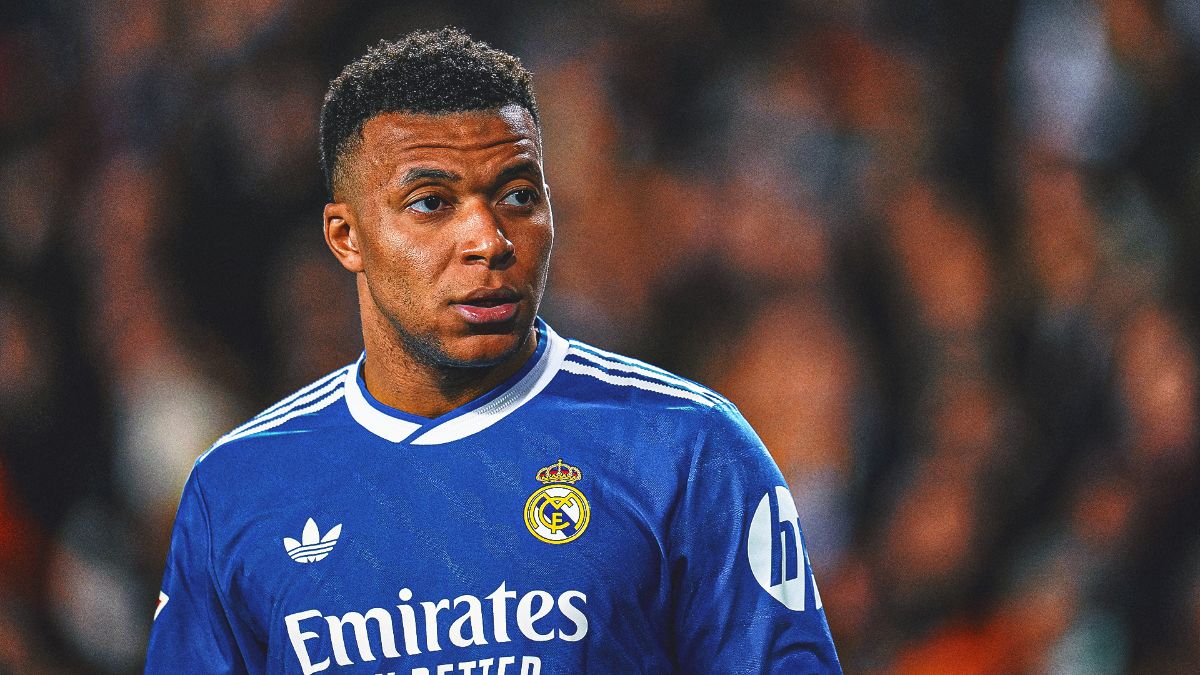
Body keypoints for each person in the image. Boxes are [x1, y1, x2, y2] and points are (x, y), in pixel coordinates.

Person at [145, 28, 841, 674]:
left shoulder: (687, 449)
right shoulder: (236, 489)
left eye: (517, 196)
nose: (489, 240)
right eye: (431, 202)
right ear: (346, 237)